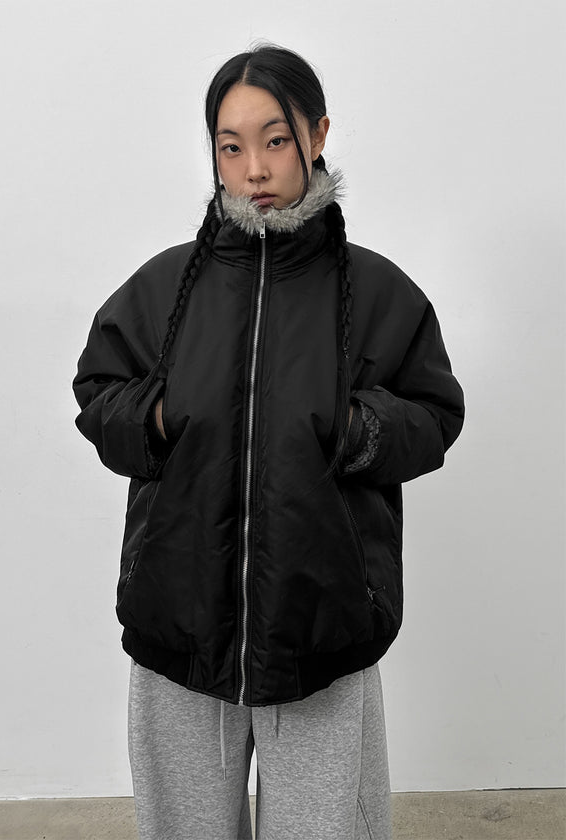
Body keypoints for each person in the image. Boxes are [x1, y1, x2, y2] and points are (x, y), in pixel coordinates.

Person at [73, 44, 464, 840]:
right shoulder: (164, 289)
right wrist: (156, 417)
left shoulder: (377, 293)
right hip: (181, 633)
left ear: (317, 135)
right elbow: (97, 390)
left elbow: (434, 413)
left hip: (321, 636)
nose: (253, 167)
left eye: (275, 139)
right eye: (230, 146)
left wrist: (356, 431)